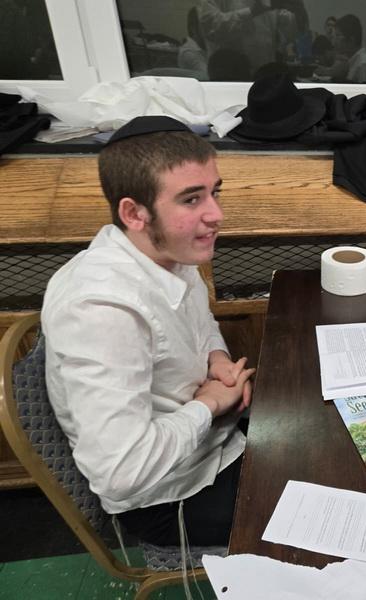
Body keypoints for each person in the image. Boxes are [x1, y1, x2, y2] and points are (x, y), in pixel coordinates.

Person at [42, 116, 255, 547]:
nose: (216, 215)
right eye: (191, 199)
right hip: (171, 494)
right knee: (328, 501)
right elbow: (121, 472)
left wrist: (216, 359)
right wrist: (210, 404)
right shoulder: (101, 310)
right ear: (134, 213)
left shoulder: (167, 249)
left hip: (213, 439)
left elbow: (201, 323)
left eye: (214, 192)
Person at [198, 0, 296, 78]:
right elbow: (211, 27)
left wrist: (295, 11)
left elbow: (290, 36)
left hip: (265, 76)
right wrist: (251, 12)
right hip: (229, 76)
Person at [331, 14, 366, 84]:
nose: (334, 41)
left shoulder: (362, 65)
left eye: (338, 35)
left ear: (351, 40)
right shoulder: (353, 60)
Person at [177, 6, 208, 79]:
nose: (211, 29)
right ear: (193, 28)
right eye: (205, 24)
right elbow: (209, 78)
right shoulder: (188, 53)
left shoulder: (204, 47)